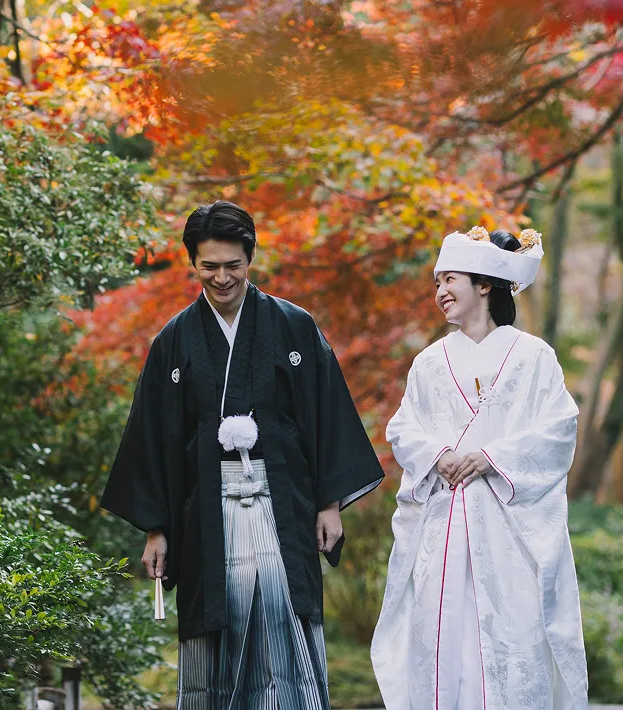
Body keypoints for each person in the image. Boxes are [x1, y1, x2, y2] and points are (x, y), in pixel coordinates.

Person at [101, 200, 384, 709]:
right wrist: (157, 529)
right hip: (207, 509)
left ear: (250, 259)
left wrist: (329, 504)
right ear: (193, 264)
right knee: (217, 625)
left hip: (284, 503)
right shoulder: (174, 340)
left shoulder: (294, 326)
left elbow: (325, 415)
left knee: (283, 617)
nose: (222, 277)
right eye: (209, 266)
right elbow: (155, 437)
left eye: (233, 265)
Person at [370, 227, 589, 709]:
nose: (440, 292)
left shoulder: (534, 357)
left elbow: (558, 428)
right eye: (436, 283)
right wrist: (438, 454)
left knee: (510, 637)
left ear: (485, 284)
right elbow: (403, 428)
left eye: (450, 279)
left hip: (507, 529)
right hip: (443, 525)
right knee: (444, 643)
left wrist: (491, 457)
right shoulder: (428, 363)